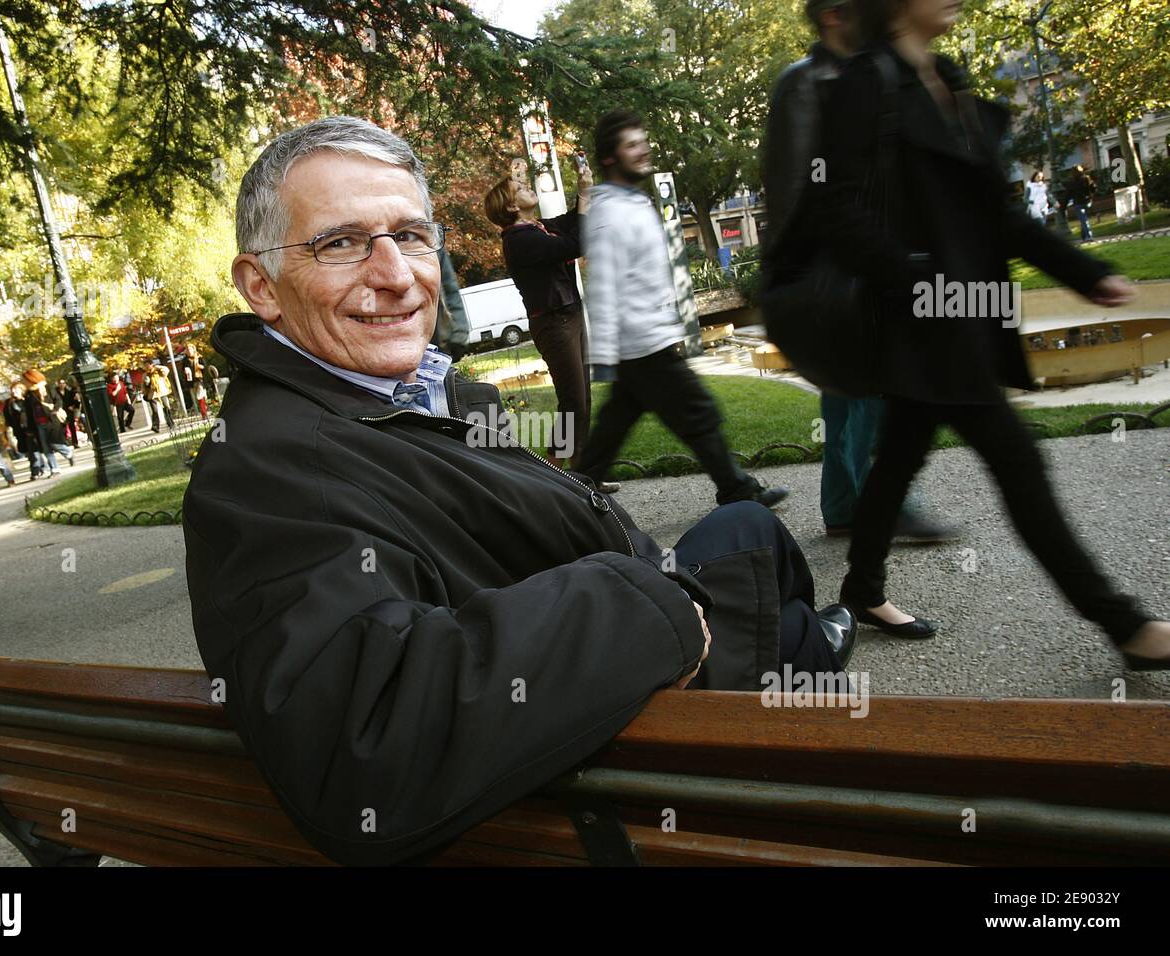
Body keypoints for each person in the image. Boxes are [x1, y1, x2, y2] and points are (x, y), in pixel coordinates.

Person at [183, 116, 855, 867]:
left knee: (748, 527)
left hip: (605, 657)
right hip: (615, 756)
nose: (397, 274)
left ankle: (805, 639)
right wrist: (650, 607)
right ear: (260, 287)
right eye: (339, 243)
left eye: (410, 235)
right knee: (775, 601)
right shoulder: (266, 471)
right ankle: (820, 727)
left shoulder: (408, 393)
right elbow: (361, 746)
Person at [796, 0, 1169, 666]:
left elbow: (997, 215)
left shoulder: (950, 80)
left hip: (966, 312)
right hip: (927, 320)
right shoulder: (865, 82)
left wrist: (1084, 270)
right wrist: (913, 279)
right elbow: (834, 206)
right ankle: (1126, 628)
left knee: (897, 459)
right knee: (1020, 466)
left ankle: (860, 589)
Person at [762, 0, 956, 543]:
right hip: (840, 266)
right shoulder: (804, 83)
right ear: (833, 15)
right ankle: (880, 501)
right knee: (869, 386)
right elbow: (792, 183)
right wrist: (809, 268)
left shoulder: (866, 72)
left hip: (863, 256)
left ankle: (845, 505)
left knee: (847, 394)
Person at [580, 109, 789, 509]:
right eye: (631, 145)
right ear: (610, 157)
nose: (643, 150)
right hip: (642, 343)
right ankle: (736, 488)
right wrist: (604, 357)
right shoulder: (609, 213)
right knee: (698, 413)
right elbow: (603, 286)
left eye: (643, 141)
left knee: (613, 428)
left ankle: (575, 495)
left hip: (647, 340)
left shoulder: (631, 202)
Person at [483, 162, 594, 470]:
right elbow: (576, 243)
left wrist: (583, 192)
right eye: (519, 189)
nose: (527, 186)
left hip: (570, 313)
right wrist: (584, 199)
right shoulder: (520, 240)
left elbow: (571, 222)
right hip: (554, 322)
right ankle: (556, 469)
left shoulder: (538, 228)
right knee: (573, 402)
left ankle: (583, 474)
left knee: (582, 400)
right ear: (511, 206)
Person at [1066, 164, 1097, 240]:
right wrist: (1090, 195)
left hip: (1078, 203)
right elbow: (1093, 188)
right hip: (1087, 201)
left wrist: (1064, 204)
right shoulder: (1087, 178)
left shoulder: (1072, 182)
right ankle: (1084, 236)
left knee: (1084, 220)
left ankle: (1088, 236)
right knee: (1084, 219)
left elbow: (1068, 194)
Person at [53, 378, 82, 446]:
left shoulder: (69, 392)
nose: (62, 385)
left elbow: (76, 401)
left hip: (69, 411)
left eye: (63, 383)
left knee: (72, 427)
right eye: (60, 383)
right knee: (62, 428)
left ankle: (75, 442)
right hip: (61, 412)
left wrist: (73, 406)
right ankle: (65, 442)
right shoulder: (55, 393)